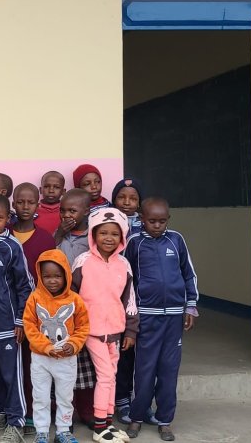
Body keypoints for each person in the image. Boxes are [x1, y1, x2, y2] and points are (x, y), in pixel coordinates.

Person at [124, 198, 198, 441]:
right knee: (144, 370)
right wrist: (130, 313)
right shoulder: (134, 243)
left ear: (168, 220)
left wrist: (190, 306)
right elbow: (127, 280)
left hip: (174, 318)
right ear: (142, 219)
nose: (157, 226)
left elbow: (188, 273)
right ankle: (137, 417)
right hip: (147, 316)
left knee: (169, 370)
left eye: (162, 221)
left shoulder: (176, 240)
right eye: (152, 221)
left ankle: (165, 420)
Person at [72, 208, 136, 443]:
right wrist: (74, 329)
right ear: (93, 235)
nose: (109, 238)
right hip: (91, 331)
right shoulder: (83, 262)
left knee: (112, 375)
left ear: (122, 237)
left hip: (116, 331)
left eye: (115, 234)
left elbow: (130, 299)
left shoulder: (124, 264)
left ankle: (108, 423)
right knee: (105, 375)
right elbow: (72, 296)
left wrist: (131, 330)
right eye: (103, 233)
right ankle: (100, 427)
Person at [0, 194, 33, 443]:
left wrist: (20, 320)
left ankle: (16, 421)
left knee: (11, 374)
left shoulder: (12, 246)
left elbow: (25, 286)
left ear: (7, 218)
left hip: (7, 323)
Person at [23, 249, 90, 443]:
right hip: (40, 359)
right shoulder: (35, 298)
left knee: (65, 397)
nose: (52, 281)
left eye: (57, 276)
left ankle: (63, 430)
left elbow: (83, 326)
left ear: (66, 275)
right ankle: (42, 431)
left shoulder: (75, 300)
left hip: (66, 359)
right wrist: (46, 347)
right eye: (47, 276)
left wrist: (74, 344)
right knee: (40, 397)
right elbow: (30, 327)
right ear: (40, 276)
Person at [10, 182, 57, 434]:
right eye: (20, 202)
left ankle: (32, 413)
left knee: (34, 364)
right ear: (13, 204)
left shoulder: (45, 238)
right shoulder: (3, 234)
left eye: (30, 202)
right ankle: (11, 411)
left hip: (38, 312)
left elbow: (51, 277)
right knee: (10, 364)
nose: (25, 207)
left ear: (38, 205)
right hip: (7, 310)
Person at [54, 188, 96, 426]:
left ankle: (87, 410)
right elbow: (47, 255)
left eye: (72, 210)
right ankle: (65, 414)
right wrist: (59, 234)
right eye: (63, 211)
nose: (66, 215)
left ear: (86, 211)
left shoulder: (93, 238)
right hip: (60, 306)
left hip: (85, 306)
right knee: (64, 363)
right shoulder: (59, 235)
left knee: (85, 364)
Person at [109, 178, 142, 424]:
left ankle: (139, 400)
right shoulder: (106, 222)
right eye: (121, 197)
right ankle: (121, 400)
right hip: (114, 294)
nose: (127, 202)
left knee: (141, 351)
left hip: (142, 297)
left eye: (133, 198)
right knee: (122, 350)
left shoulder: (147, 223)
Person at [36, 172, 66, 237]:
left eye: (56, 187)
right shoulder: (33, 211)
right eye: (46, 186)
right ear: (40, 190)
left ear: (63, 191)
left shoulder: (67, 212)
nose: (51, 191)